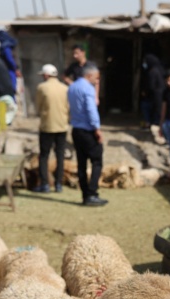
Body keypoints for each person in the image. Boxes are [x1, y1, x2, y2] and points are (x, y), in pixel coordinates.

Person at [67, 64, 107, 206]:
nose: (96, 81)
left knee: (81, 164)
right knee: (97, 162)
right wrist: (97, 129)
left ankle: (85, 194)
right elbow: (91, 110)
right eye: (96, 78)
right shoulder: (87, 88)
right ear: (89, 75)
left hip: (76, 130)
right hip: (88, 130)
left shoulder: (72, 87)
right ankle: (92, 193)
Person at [34, 64, 69, 193]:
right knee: (60, 155)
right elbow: (68, 107)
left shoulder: (42, 88)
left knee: (44, 156)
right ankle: (58, 184)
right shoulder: (64, 88)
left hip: (47, 126)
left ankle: (45, 184)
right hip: (61, 126)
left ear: (46, 75)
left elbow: (38, 106)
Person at [142, 54, 165, 127]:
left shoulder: (153, 71)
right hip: (160, 95)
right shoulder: (160, 69)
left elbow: (151, 86)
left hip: (155, 96)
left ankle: (148, 123)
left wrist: (146, 93)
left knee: (146, 106)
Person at [0, 30, 19, 94]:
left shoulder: (5, 47)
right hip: (9, 70)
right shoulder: (7, 46)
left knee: (11, 89)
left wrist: (15, 68)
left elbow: (9, 59)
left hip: (9, 70)